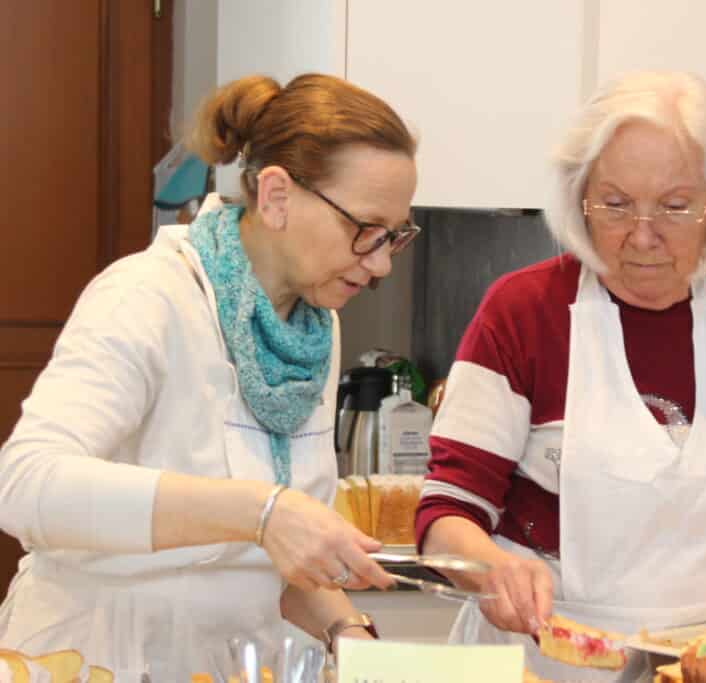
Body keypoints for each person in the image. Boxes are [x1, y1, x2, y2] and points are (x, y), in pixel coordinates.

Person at [414, 71, 706, 682]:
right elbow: (447, 512)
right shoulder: (523, 312)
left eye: (675, 206)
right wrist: (491, 569)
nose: (643, 237)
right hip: (545, 658)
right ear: (579, 200)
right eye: (615, 205)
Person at [0, 73, 419, 679]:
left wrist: (346, 630)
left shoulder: (313, 329)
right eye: (365, 231)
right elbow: (25, 483)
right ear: (276, 196)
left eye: (394, 237)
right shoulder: (147, 295)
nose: (381, 264)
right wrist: (260, 510)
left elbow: (269, 564)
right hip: (99, 657)